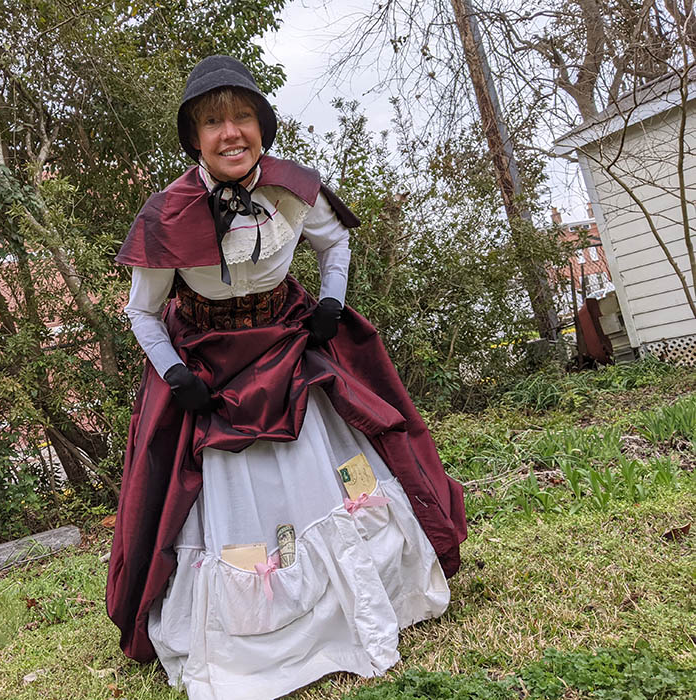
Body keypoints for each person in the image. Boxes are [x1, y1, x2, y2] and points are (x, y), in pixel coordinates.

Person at [106, 55, 466, 700]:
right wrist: (173, 372)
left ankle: (359, 593)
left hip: (290, 347)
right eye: (212, 122)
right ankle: (261, 626)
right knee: (233, 493)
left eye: (242, 116)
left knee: (333, 472)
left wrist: (331, 300)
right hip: (211, 372)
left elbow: (335, 244)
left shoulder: (295, 187)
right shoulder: (165, 215)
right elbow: (141, 311)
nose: (230, 133)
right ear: (194, 138)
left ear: (263, 126)